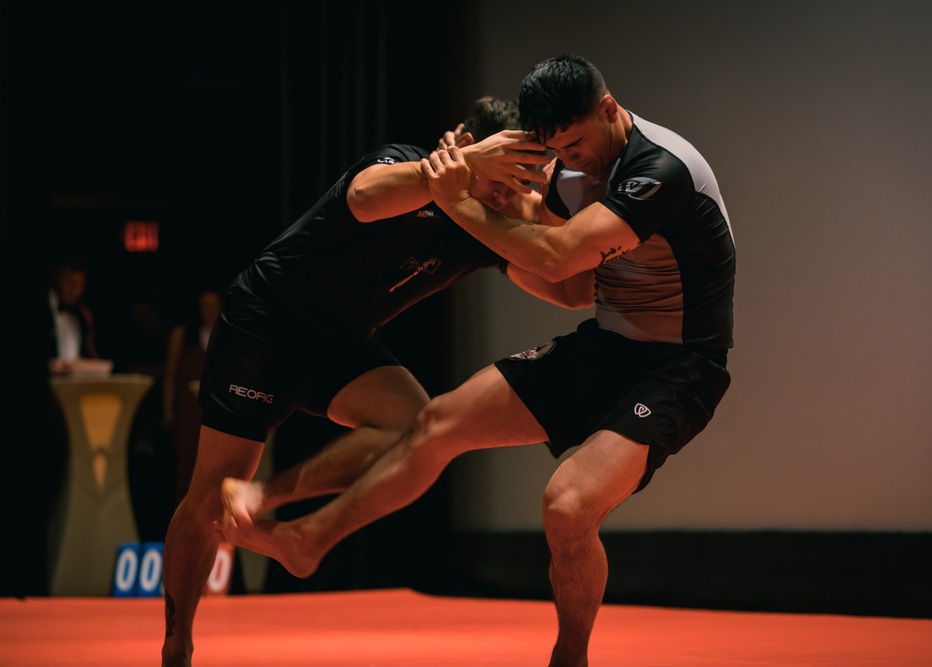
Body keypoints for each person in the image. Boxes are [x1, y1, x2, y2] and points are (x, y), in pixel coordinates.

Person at [219, 54, 736, 667]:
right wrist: (482, 183)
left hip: (681, 364)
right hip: (607, 344)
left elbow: (558, 259)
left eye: (578, 143)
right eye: (557, 150)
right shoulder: (558, 167)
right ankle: (306, 538)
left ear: (608, 108)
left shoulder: (662, 168)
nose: (572, 159)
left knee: (566, 507)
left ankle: (569, 658)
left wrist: (456, 202)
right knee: (437, 422)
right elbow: (570, 288)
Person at [159, 96, 583, 667]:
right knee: (210, 492)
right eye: (500, 180)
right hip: (266, 324)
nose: (505, 198)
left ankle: (281, 512)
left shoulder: (484, 229)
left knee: (416, 424)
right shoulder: (404, 163)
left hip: (337, 343)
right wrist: (469, 170)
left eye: (518, 185)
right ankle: (177, 646)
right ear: (464, 147)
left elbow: (571, 291)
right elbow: (363, 195)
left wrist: (549, 210)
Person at [161, 286, 223, 504]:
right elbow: (170, 375)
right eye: (205, 306)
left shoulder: (227, 333)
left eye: (214, 305)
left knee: (216, 469)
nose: (209, 311)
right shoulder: (183, 334)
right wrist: (168, 410)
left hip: (217, 412)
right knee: (186, 469)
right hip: (189, 411)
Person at [46, 253, 112, 375]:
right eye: (70, 284)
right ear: (55, 276)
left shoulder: (83, 315)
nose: (75, 291)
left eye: (80, 285)